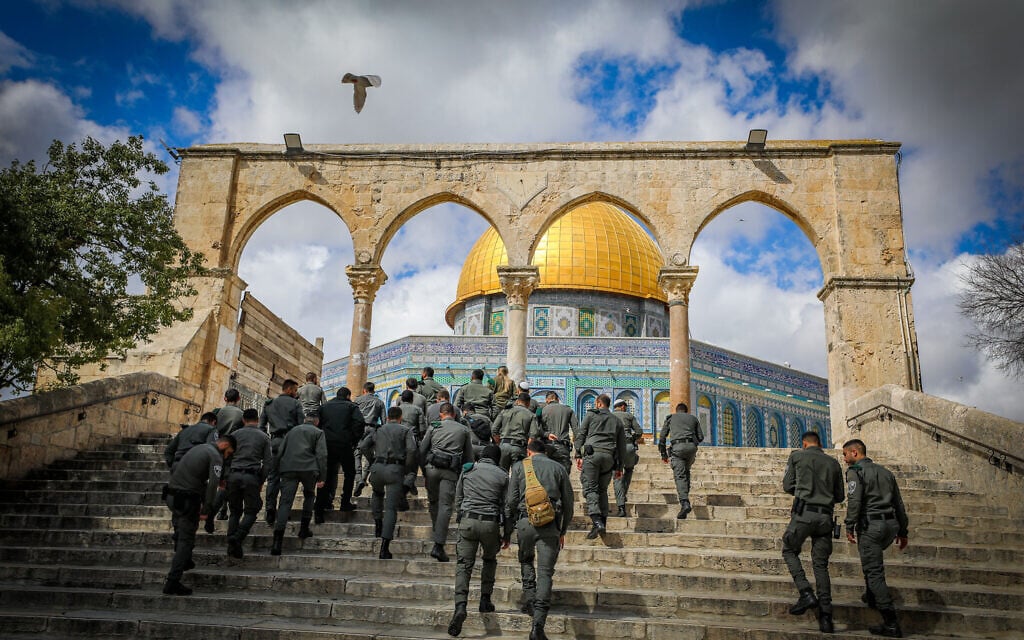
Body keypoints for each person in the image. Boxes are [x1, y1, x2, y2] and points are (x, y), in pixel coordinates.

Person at [504, 439, 574, 640]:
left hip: (525, 522)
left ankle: (530, 600)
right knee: (545, 574)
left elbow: (511, 501)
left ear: (529, 452)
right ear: (546, 452)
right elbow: (569, 503)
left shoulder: (519, 467)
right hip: (550, 524)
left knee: (526, 560)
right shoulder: (559, 468)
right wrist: (562, 530)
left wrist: (508, 528)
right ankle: (538, 625)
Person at [843, 438, 909, 638]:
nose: (844, 459)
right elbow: (899, 503)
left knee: (874, 572)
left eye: (845, 454)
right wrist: (903, 530)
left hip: (872, 526)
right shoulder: (886, 472)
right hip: (890, 525)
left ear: (855, 452)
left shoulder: (856, 472)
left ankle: (891, 623)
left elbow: (855, 501)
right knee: (870, 560)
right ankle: (871, 596)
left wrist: (849, 525)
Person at [782, 431, 846, 634]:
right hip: (825, 517)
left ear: (804, 443)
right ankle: (826, 618)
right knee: (821, 565)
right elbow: (840, 496)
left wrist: (805, 490)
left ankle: (806, 593)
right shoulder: (833, 463)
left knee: (789, 550)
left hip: (803, 514)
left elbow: (787, 485)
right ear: (820, 443)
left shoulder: (797, 456)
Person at [162, 433, 236, 595]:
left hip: (172, 496)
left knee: (181, 532)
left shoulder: (200, 448)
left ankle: (185, 559)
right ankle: (172, 582)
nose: (227, 457)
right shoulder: (215, 456)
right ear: (225, 446)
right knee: (186, 540)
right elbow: (213, 485)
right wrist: (207, 509)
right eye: (229, 453)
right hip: (187, 500)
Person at [447, 443, 507, 637]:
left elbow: (458, 497)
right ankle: (485, 599)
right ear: (497, 459)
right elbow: (507, 507)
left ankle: (460, 606)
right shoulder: (503, 475)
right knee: (489, 560)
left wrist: (461, 515)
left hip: (468, 521)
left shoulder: (468, 470)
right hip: (490, 524)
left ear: (481, 456)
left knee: (464, 565)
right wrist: (507, 533)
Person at [359, 406, 417, 559]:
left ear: (388, 417)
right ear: (400, 417)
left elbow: (363, 446)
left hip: (377, 469)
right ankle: (384, 548)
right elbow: (412, 450)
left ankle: (378, 524)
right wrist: (407, 467)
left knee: (377, 493)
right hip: (394, 469)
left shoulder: (377, 430)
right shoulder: (405, 430)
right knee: (391, 509)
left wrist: (373, 460)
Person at [420, 402, 475, 562]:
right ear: (454, 414)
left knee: (433, 502)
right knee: (445, 506)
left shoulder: (433, 427)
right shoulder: (463, 430)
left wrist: (424, 471)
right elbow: (469, 458)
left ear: (441, 414)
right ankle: (438, 545)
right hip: (450, 472)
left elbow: (422, 450)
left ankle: (436, 530)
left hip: (432, 469)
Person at [270, 413, 327, 556]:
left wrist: (276, 470)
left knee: (285, 502)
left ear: (304, 420)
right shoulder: (318, 432)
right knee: (309, 495)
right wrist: (322, 476)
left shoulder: (292, 431)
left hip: (289, 468)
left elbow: (280, 451)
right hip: (309, 469)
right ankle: (304, 529)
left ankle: (277, 541)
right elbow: (322, 455)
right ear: (317, 422)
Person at [575, 394, 627, 539]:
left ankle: (596, 520)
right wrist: (619, 467)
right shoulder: (616, 420)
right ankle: (602, 523)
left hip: (593, 456)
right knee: (602, 490)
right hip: (609, 458)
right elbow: (622, 446)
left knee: (590, 488)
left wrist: (578, 453)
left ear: (598, 403)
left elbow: (581, 434)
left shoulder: (591, 415)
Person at [225, 409, 272, 559]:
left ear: (243, 420)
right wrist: (261, 480)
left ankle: (232, 545)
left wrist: (226, 476)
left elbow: (226, 457)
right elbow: (268, 463)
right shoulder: (264, 437)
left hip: (233, 475)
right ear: (257, 420)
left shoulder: (234, 435)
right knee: (252, 510)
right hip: (251, 476)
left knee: (234, 511)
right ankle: (238, 537)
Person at [315, 386, 366, 522]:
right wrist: (353, 439)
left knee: (326, 475)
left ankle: (320, 509)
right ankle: (345, 503)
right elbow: (360, 423)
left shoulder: (324, 407)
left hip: (327, 445)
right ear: (348, 396)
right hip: (344, 444)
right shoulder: (351, 407)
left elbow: (317, 424)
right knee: (349, 473)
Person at [259, 379, 305, 525]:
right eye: (295, 390)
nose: (296, 393)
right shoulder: (296, 404)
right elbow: (301, 426)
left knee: (273, 477)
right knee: (288, 478)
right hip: (290, 443)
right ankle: (283, 511)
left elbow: (261, 426)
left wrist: (268, 441)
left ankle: (270, 509)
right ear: (289, 389)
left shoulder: (269, 404)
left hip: (274, 442)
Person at [659, 402, 705, 519]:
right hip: (691, 449)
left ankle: (684, 503)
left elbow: (662, 437)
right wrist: (692, 443)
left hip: (677, 449)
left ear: (676, 410)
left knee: (680, 476)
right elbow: (701, 437)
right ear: (686, 411)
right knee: (686, 472)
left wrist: (664, 454)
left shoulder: (671, 418)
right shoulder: (693, 418)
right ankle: (685, 498)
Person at [492, 392, 543, 471]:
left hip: (504, 445)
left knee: (501, 473)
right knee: (518, 474)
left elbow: (494, 429)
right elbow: (533, 435)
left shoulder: (505, 411)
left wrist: (499, 442)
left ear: (517, 401)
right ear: (528, 403)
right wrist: (528, 450)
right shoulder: (531, 415)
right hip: (519, 448)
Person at [354, 382, 386, 497]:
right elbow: (384, 421)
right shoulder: (379, 402)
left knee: (357, 453)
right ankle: (363, 478)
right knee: (369, 454)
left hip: (359, 429)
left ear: (364, 390)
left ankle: (359, 478)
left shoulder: (357, 401)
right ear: (374, 390)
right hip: (372, 429)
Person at [611, 399, 642, 518]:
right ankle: (623, 493)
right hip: (629, 447)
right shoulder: (629, 416)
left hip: (616, 448)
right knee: (629, 470)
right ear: (623, 406)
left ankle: (621, 507)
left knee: (617, 476)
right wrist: (632, 438)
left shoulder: (609, 416)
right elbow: (639, 431)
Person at [398, 389, 428, 495]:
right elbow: (422, 429)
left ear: (402, 399)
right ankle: (409, 484)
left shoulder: (397, 409)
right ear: (412, 399)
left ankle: (405, 484)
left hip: (398, 440)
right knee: (414, 465)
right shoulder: (417, 410)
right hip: (413, 439)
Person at [539, 391, 577, 473]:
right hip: (563, 447)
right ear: (558, 399)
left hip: (547, 447)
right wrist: (578, 452)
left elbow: (536, 429)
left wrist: (546, 434)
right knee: (564, 475)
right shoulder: (568, 409)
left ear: (547, 400)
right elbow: (576, 431)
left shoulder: (541, 410)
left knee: (548, 475)